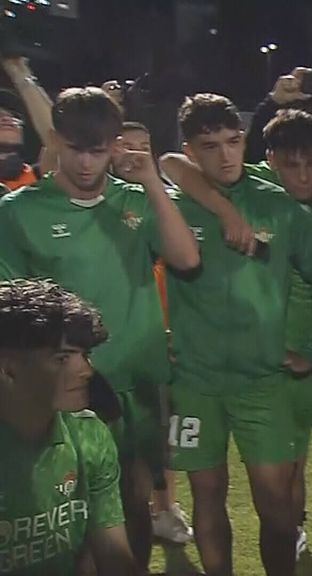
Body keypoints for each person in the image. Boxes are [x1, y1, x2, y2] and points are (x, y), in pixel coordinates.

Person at [0, 86, 200, 572]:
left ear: (116, 144)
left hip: (138, 379)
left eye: (98, 150)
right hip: (59, 389)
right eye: (76, 149)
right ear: (54, 140)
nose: (87, 164)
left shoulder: (136, 200)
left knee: (134, 502)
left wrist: (152, 182)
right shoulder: (20, 211)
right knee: (60, 511)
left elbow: (187, 258)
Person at [161, 92, 312, 576]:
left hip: (262, 381)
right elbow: (165, 166)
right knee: (207, 493)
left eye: (232, 141)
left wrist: (311, 349)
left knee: (276, 503)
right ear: (191, 148)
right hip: (194, 381)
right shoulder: (172, 207)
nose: (224, 155)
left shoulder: (277, 205)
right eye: (209, 145)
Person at [0, 279, 138, 576]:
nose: (87, 371)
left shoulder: (89, 436)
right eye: (62, 359)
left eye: (85, 356)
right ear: (9, 368)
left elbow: (114, 558)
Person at [109, 120, 195, 547]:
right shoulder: (101, 201)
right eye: (127, 146)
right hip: (113, 340)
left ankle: (165, 509)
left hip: (158, 335)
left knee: (160, 438)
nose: (136, 154)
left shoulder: (161, 200)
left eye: (145, 145)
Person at [0, 55, 57, 189]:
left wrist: (20, 74)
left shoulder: (35, 177)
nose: (7, 118)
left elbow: (58, 139)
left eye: (14, 115)